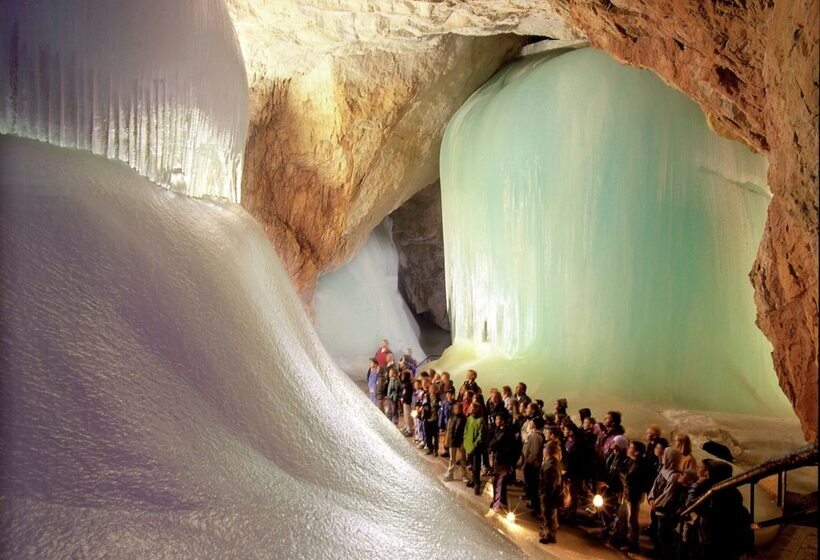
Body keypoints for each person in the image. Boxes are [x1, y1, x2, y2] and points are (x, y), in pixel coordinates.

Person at [647, 447, 683, 558]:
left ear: (670, 458)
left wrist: (656, 503)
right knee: (657, 531)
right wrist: (651, 497)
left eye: (665, 455)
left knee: (664, 534)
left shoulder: (674, 476)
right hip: (656, 507)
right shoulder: (664, 470)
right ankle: (657, 550)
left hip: (664, 510)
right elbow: (655, 484)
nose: (662, 457)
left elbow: (668, 494)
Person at [623, 441, 651, 553]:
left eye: (631, 448)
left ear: (637, 452)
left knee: (632, 519)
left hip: (633, 495)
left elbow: (636, 482)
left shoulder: (640, 465)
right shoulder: (630, 461)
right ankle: (626, 539)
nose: (628, 449)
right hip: (628, 494)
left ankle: (633, 543)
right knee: (627, 517)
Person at [489, 411, 517, 512]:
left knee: (498, 482)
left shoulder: (506, 432)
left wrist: (492, 447)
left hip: (503, 460)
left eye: (498, 419)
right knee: (500, 482)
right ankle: (502, 501)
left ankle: (497, 503)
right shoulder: (498, 429)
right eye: (496, 419)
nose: (496, 421)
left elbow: (496, 443)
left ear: (503, 421)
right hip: (499, 459)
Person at [539, 440, 563, 545]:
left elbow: (551, 482)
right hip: (549, 492)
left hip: (550, 494)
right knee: (548, 514)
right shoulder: (551, 461)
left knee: (549, 514)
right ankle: (547, 532)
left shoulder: (552, 464)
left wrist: (546, 492)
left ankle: (550, 535)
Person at [523, 416, 546, 514]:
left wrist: (529, 461)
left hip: (533, 464)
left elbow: (534, 451)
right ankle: (534, 504)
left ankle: (536, 508)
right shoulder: (534, 435)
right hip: (532, 462)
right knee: (532, 485)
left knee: (533, 485)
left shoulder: (536, 436)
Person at [463, 402, 486, 495]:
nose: (470, 408)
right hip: (469, 446)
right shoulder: (469, 418)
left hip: (476, 448)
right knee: (472, 466)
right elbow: (466, 430)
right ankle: (473, 480)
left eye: (472, 407)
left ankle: (477, 483)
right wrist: (465, 441)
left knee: (476, 467)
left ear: (476, 409)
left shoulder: (481, 421)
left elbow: (481, 435)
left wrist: (475, 444)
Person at [443, 402, 468, 482]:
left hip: (461, 441)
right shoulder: (452, 417)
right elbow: (449, 430)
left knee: (462, 459)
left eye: (458, 408)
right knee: (451, 459)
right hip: (452, 441)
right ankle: (450, 474)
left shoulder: (464, 419)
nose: (457, 410)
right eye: (456, 408)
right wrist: (447, 440)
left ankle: (464, 475)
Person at [422, 384, 441, 455]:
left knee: (435, 436)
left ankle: (436, 449)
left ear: (436, 390)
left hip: (435, 419)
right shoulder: (426, 397)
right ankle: (430, 448)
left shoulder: (439, 398)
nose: (432, 390)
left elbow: (440, 407)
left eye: (433, 389)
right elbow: (423, 405)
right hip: (427, 418)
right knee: (428, 435)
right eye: (431, 389)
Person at [439, 389, 455, 457]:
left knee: (451, 438)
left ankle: (452, 453)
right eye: (447, 394)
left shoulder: (455, 403)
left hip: (452, 424)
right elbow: (441, 414)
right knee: (445, 438)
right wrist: (440, 425)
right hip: (446, 423)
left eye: (450, 394)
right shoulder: (444, 403)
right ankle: (446, 451)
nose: (448, 395)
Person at [400, 369, 414, 436]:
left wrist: (404, 399)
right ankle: (407, 427)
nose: (402, 376)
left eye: (403, 375)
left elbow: (407, 394)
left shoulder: (408, 384)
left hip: (407, 402)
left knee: (408, 416)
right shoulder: (404, 383)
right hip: (405, 401)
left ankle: (410, 430)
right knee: (405, 416)